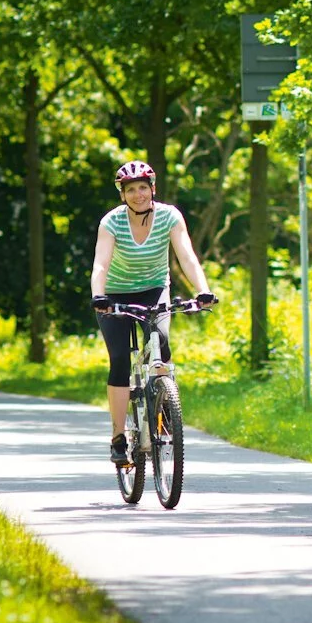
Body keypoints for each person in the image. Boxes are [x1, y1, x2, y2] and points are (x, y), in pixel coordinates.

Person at [89, 160, 216, 468]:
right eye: (130, 190)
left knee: (161, 343)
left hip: (154, 289)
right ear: (123, 195)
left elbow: (186, 256)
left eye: (143, 188)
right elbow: (101, 264)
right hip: (115, 295)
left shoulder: (169, 216)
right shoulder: (112, 222)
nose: (138, 194)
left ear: (153, 189)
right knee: (120, 359)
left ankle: (164, 407)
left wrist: (203, 290)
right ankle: (119, 437)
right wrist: (99, 296)